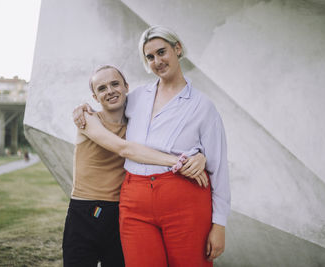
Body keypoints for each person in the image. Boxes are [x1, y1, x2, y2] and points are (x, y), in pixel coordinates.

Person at [75, 25, 230, 267]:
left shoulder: (202, 106)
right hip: (134, 200)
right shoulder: (136, 98)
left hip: (185, 198)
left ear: (177, 49)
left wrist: (219, 224)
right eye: (150, 57)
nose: (157, 61)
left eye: (162, 52)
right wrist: (83, 109)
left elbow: (219, 168)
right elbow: (110, 111)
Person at [64, 65, 207, 267]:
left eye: (115, 84)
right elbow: (124, 149)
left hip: (121, 212)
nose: (110, 91)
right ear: (95, 97)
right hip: (86, 211)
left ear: (126, 87)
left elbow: (177, 139)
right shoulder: (88, 119)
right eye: (102, 88)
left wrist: (200, 155)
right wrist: (178, 163)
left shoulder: (137, 126)